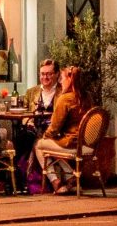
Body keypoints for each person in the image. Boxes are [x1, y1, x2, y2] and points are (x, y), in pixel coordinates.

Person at [33, 66, 86, 194]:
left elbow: (54, 128)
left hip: (71, 143)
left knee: (39, 145)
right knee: (53, 143)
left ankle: (55, 182)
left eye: (62, 78)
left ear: (70, 80)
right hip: (87, 143)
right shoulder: (86, 96)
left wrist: (45, 136)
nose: (61, 82)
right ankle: (70, 178)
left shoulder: (65, 99)